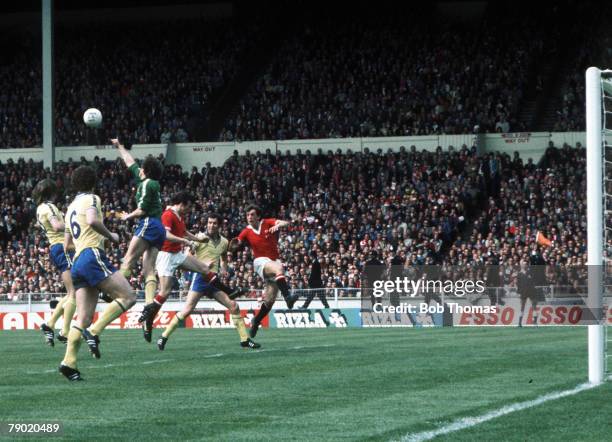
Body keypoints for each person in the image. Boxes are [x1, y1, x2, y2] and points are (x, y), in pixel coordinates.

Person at [59, 165, 136, 381]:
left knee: (82, 316)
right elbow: (93, 220)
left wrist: (95, 242)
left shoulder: (70, 208)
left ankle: (69, 362)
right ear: (93, 182)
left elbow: (67, 245)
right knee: (128, 296)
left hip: (77, 262)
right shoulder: (91, 198)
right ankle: (94, 331)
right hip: (91, 257)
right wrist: (110, 236)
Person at [138, 191, 241, 342]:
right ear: (182, 203)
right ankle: (148, 318)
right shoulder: (168, 214)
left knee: (205, 269)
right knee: (165, 292)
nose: (189, 210)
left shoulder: (179, 216)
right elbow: (166, 235)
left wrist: (198, 240)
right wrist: (186, 242)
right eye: (189, 206)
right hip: (166, 255)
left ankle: (229, 291)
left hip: (177, 254)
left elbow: (184, 232)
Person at [158, 213, 259, 350]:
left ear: (219, 226)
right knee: (187, 310)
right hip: (200, 278)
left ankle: (244, 340)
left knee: (234, 306)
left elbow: (223, 257)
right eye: (209, 223)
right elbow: (187, 256)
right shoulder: (200, 238)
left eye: (214, 223)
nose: (211, 225)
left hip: (214, 281)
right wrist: (203, 263)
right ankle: (164, 336)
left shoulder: (224, 242)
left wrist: (223, 268)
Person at [112, 138, 165, 312]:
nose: (139, 168)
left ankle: (112, 292)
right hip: (159, 227)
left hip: (148, 223)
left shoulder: (147, 184)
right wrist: (120, 146)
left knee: (128, 260)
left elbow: (141, 210)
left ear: (146, 171)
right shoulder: (152, 182)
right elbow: (130, 162)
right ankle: (149, 304)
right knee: (148, 269)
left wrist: (127, 217)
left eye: (142, 167)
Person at [228, 204, 296, 339]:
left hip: (273, 260)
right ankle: (288, 296)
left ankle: (256, 321)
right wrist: (234, 245)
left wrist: (279, 225)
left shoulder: (267, 222)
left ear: (258, 216)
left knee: (269, 301)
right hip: (260, 261)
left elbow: (285, 223)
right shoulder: (246, 231)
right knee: (279, 268)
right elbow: (237, 243)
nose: (249, 217)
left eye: (252, 214)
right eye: (248, 215)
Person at [34, 179, 76, 347]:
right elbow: (57, 226)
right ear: (51, 192)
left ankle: (50, 324)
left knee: (72, 292)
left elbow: (40, 225)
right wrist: (75, 224)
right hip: (62, 246)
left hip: (57, 247)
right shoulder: (49, 207)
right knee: (74, 293)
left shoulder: (40, 209)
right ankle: (64, 332)